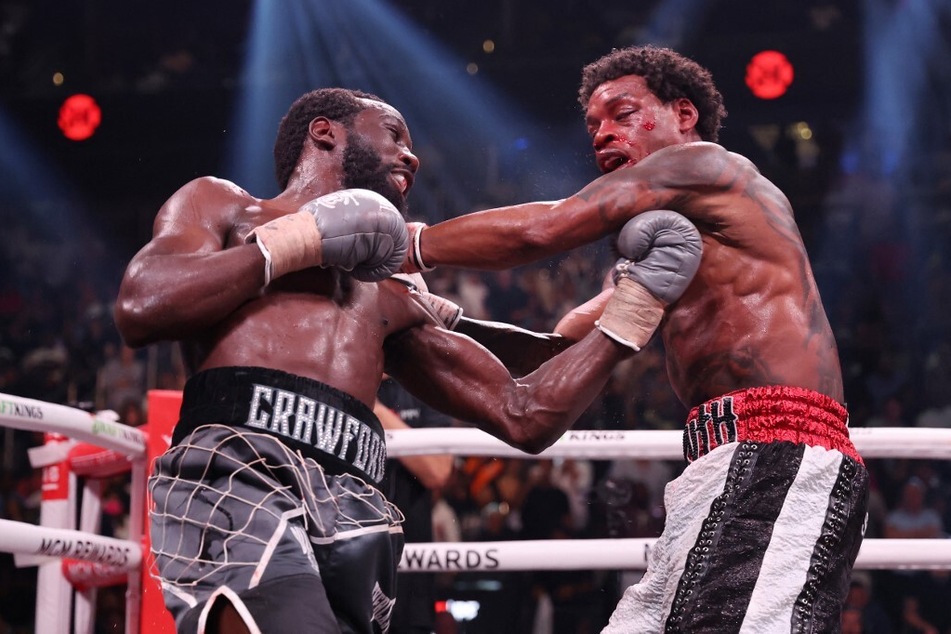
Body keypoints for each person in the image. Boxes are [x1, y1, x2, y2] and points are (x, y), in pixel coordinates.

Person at [114, 86, 702, 633]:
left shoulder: (391, 298)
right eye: (394, 135)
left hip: (358, 506)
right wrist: (299, 241)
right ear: (325, 133)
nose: (410, 157)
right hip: (243, 472)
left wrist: (636, 302)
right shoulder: (226, 206)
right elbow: (142, 305)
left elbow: (526, 413)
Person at [403, 45, 870, 632]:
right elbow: (556, 349)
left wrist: (406, 243)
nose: (601, 134)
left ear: (684, 114)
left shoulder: (709, 166)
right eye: (593, 125)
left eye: (622, 115)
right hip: (718, 465)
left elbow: (545, 229)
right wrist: (437, 316)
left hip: (783, 449)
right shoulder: (665, 254)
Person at [374, 376, 454, 634]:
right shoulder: (340, 377)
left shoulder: (424, 386)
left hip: (410, 565)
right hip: (355, 548)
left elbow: (438, 470)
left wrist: (372, 407)